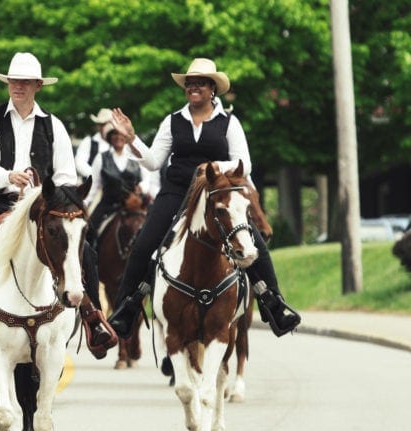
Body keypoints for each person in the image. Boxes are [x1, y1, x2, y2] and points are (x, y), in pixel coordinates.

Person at [0, 52, 118, 374]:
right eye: (13, 81)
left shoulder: (55, 125)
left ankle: (94, 318)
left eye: (24, 81)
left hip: (43, 206)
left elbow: (64, 172)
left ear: (37, 85)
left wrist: (55, 194)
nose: (17, 86)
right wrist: (8, 176)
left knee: (86, 252)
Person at [107, 57, 301, 339]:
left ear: (213, 89)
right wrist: (133, 138)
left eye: (200, 83)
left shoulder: (229, 123)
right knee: (144, 244)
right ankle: (126, 309)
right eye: (190, 83)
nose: (193, 87)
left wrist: (213, 168)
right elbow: (153, 162)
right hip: (177, 192)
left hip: (215, 193)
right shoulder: (172, 120)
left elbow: (244, 164)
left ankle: (274, 302)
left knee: (254, 244)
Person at [84, 121, 154, 250]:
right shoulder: (101, 158)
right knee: (89, 231)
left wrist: (142, 188)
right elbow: (93, 186)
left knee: (154, 229)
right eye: (115, 134)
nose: (118, 137)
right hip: (108, 205)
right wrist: (84, 204)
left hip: (134, 204)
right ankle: (92, 264)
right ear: (110, 137)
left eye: (121, 134)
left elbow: (147, 178)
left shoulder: (135, 157)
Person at [74, 108, 112, 180]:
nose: (104, 127)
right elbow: (79, 162)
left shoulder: (119, 142)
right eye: (102, 124)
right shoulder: (88, 142)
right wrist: (97, 176)